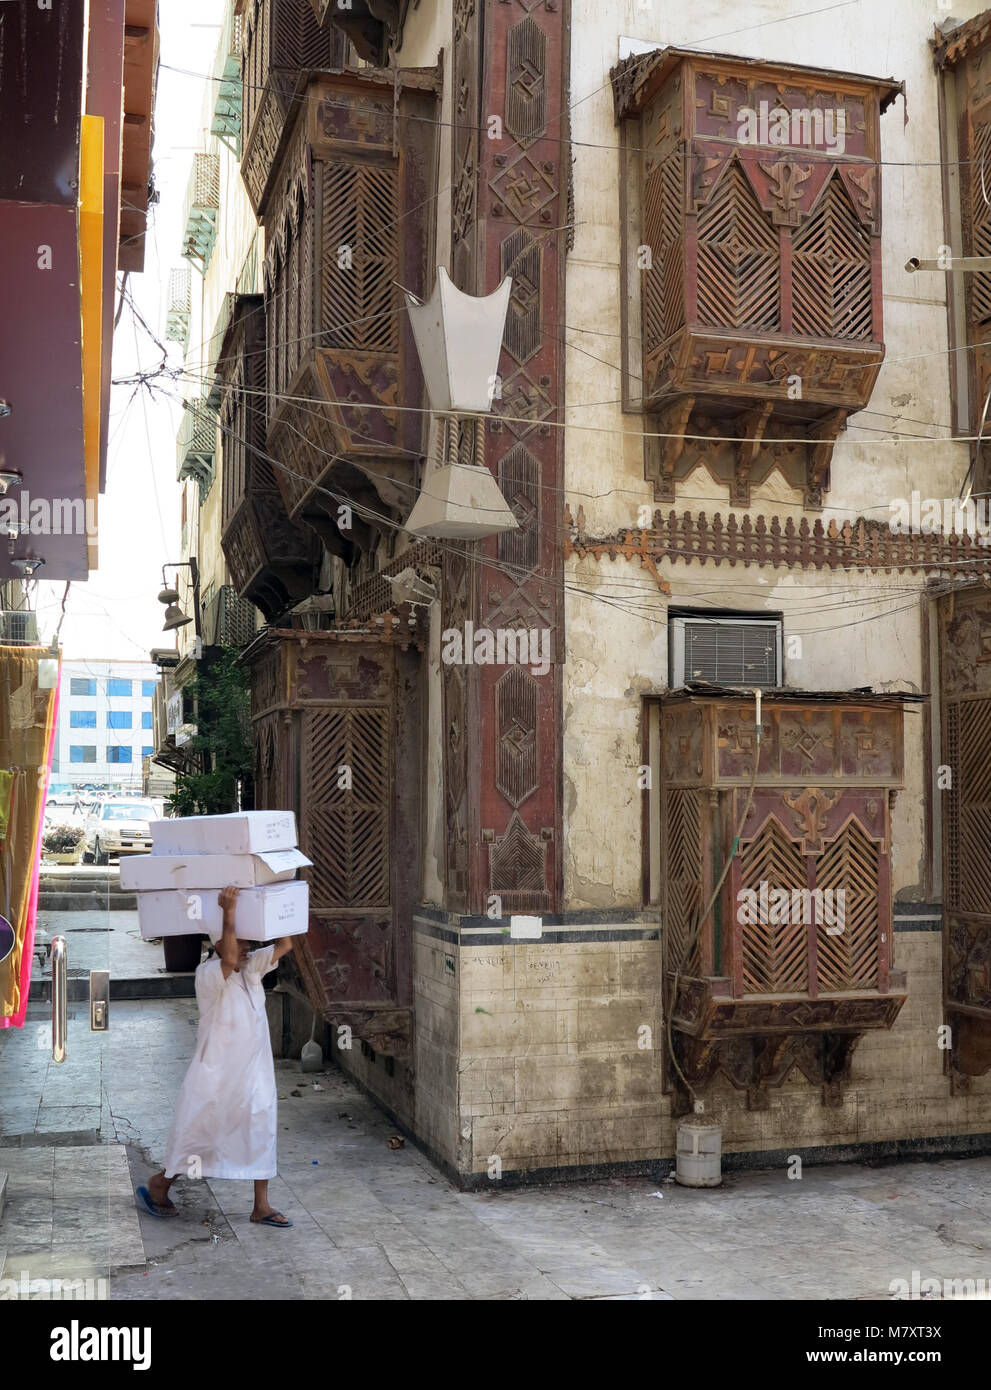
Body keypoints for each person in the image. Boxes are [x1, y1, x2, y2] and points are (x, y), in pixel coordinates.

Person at [136, 886, 296, 1228]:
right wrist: (228, 910)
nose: (245, 947)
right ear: (219, 942)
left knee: (260, 1129)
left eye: (247, 942)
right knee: (198, 1134)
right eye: (238, 941)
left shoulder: (251, 970)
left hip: (254, 1074)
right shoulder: (208, 975)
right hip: (215, 1077)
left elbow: (285, 945)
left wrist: (282, 904)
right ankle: (159, 1184)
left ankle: (261, 1206)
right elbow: (226, 960)